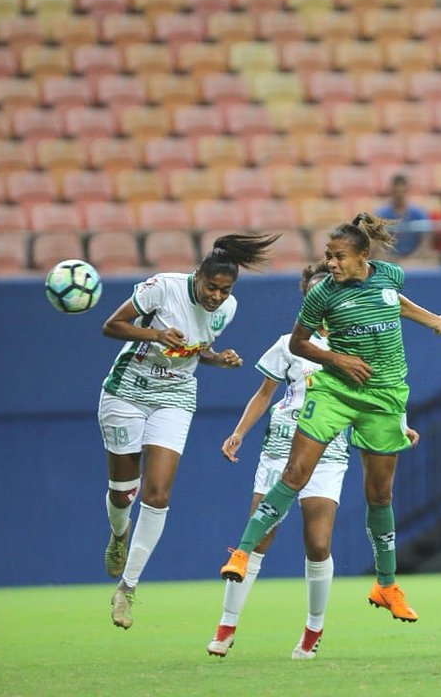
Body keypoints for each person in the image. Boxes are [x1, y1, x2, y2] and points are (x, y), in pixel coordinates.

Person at [218, 214, 441, 655]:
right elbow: (298, 344)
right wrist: (340, 361)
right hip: (337, 390)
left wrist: (432, 319)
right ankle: (243, 553)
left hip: (385, 394)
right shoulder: (323, 293)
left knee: (380, 494)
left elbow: (394, 300)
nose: (331, 263)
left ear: (364, 256)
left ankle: (387, 585)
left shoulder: (389, 274)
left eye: (339, 256)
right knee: (295, 472)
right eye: (327, 256)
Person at [100, 232, 279, 629]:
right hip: (127, 391)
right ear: (197, 276)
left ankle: (127, 589)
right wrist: (154, 334)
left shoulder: (228, 309)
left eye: (224, 289)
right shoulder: (162, 288)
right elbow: (111, 325)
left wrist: (217, 359)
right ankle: (118, 533)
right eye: (211, 287)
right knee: (123, 492)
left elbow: (193, 350)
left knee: (158, 492)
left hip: (175, 396)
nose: (216, 296)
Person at [376, 173, 431, 261]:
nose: (399, 196)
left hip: (415, 259)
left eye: (401, 192)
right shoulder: (382, 214)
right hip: (390, 259)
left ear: (407, 191)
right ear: (391, 192)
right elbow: (378, 243)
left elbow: (425, 241)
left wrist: (412, 259)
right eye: (396, 192)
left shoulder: (419, 213)